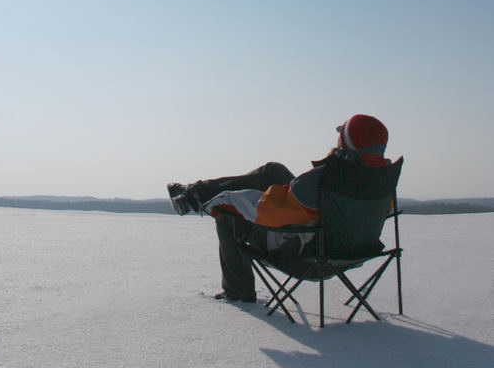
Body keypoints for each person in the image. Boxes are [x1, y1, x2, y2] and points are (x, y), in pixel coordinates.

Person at [167, 114, 391, 303]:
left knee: (227, 216)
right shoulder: (383, 185)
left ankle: (238, 292)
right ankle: (194, 192)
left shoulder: (322, 181)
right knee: (273, 171)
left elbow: (267, 213)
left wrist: (222, 202)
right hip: (352, 253)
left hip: (305, 257)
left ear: (345, 142)